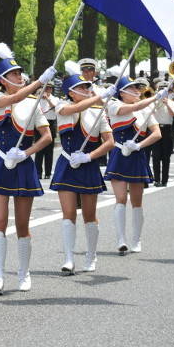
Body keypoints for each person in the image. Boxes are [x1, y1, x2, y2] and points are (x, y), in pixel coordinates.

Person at [0, 43, 55, 293]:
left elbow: (46, 137)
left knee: (22, 224)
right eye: (14, 74)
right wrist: (38, 83)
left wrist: (26, 152)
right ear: (3, 79)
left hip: (23, 164)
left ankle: (24, 273)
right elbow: (11, 100)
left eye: (21, 73)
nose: (19, 77)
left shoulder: (33, 103)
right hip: (0, 163)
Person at [50, 65, 115, 274]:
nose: (87, 90)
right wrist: (98, 98)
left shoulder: (98, 112)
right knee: (68, 213)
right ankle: (69, 258)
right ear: (71, 92)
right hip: (67, 163)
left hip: (88, 164)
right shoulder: (61, 106)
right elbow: (73, 110)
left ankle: (91, 255)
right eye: (82, 87)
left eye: (88, 87)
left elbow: (109, 142)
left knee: (89, 214)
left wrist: (89, 156)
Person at [104, 76, 162, 255]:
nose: (138, 91)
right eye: (133, 88)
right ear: (122, 92)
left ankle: (136, 239)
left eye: (139, 88)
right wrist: (154, 98)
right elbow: (132, 108)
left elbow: (157, 133)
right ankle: (121, 239)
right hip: (119, 154)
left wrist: (139, 145)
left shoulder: (146, 110)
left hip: (136, 155)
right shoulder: (113, 104)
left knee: (137, 201)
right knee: (120, 198)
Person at [151, 81, 174, 187]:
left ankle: (164, 180)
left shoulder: (173, 102)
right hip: (156, 129)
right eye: (160, 89)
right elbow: (150, 113)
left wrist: (167, 103)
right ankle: (156, 179)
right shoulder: (154, 102)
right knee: (156, 156)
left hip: (167, 130)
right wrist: (157, 101)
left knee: (166, 157)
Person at [35, 83, 59, 179]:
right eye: (45, 88)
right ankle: (38, 172)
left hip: (50, 123)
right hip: (39, 124)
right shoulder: (38, 98)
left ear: (51, 90)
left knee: (49, 150)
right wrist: (38, 95)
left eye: (49, 88)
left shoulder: (55, 99)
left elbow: (55, 108)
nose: (47, 90)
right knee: (39, 149)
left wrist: (48, 99)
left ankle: (48, 173)